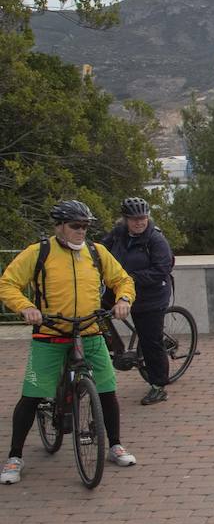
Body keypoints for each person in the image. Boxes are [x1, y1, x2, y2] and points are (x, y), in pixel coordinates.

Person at [1, 200, 140, 484]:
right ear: (59, 227)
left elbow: (123, 279)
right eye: (76, 226)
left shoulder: (96, 252)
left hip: (89, 331)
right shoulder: (39, 252)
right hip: (50, 334)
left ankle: (114, 444)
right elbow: (8, 283)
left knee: (106, 389)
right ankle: (15, 456)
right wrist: (25, 307)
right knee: (32, 395)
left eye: (86, 226)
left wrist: (124, 299)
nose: (81, 231)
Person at [101, 197, 176, 405]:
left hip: (151, 295)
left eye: (142, 218)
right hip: (120, 290)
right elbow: (99, 253)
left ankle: (158, 386)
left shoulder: (156, 239)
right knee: (94, 311)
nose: (139, 223)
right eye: (134, 219)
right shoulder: (118, 234)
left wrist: (129, 278)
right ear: (125, 219)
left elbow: (161, 270)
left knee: (150, 341)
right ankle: (116, 349)